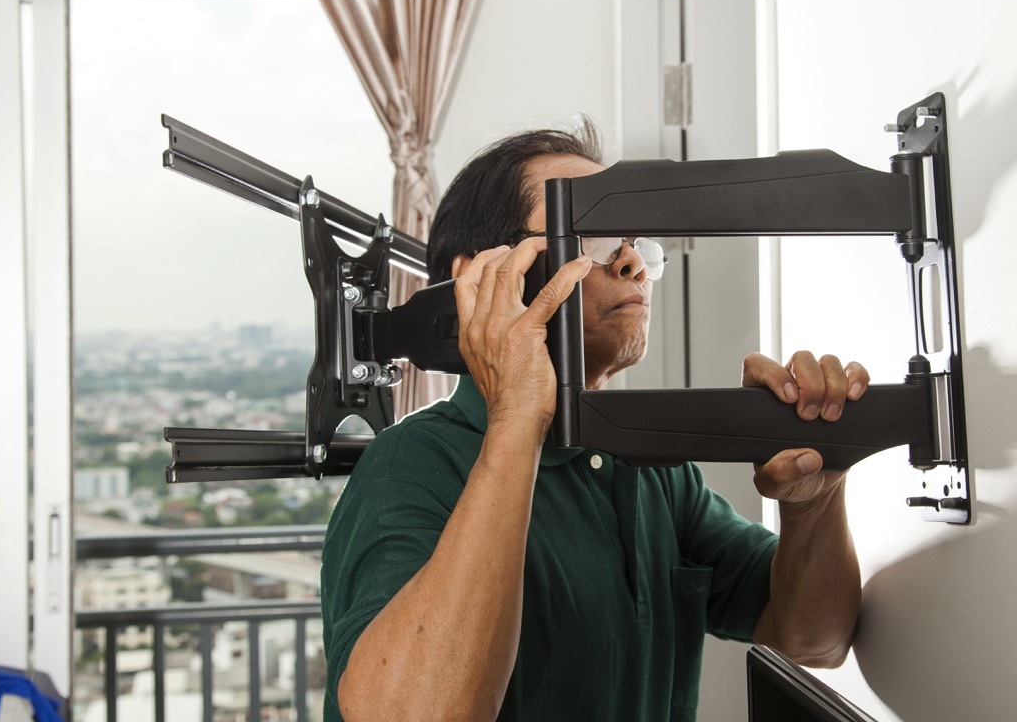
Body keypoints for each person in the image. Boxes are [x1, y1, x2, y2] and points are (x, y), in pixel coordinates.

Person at [319, 119, 868, 722]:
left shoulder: (653, 470)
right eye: (596, 235)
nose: (633, 262)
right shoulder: (411, 464)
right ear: (482, 279)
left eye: (636, 241)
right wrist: (518, 418)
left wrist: (813, 502)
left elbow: (816, 639)